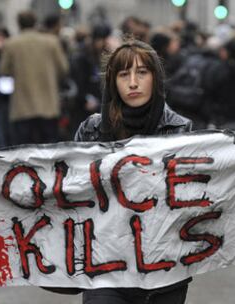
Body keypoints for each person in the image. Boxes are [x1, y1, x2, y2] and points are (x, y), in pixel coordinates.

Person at [74, 39, 192, 304]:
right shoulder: (92, 129)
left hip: (164, 268)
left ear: (156, 78)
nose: (133, 82)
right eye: (124, 74)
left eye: (142, 72)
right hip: (105, 265)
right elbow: (74, 191)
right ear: (112, 82)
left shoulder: (180, 130)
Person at [0, 10, 69, 145]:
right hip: (48, 104)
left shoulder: (11, 44)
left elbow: (3, 70)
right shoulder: (51, 42)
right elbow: (64, 69)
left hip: (22, 106)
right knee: (49, 148)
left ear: (19, 24)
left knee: (25, 151)